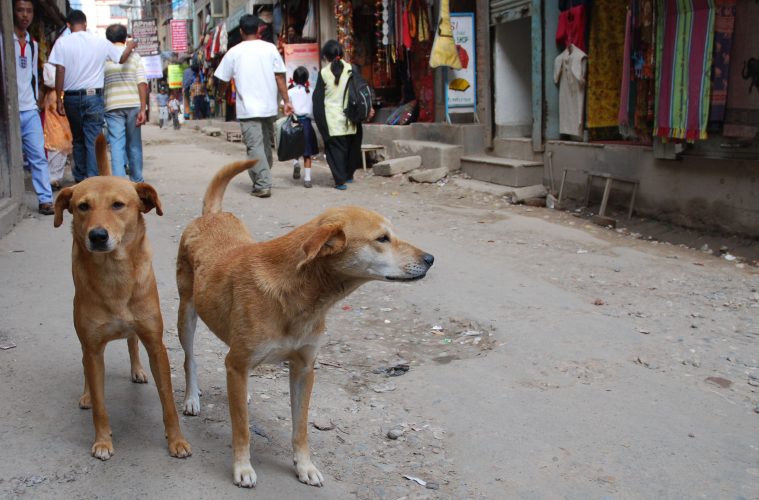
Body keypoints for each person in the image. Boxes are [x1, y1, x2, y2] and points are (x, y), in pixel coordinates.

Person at [49, 10, 136, 181]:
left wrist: (59, 98)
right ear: (86, 23)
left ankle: (81, 179)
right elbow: (121, 58)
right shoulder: (100, 42)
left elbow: (60, 70)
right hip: (93, 97)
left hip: (71, 98)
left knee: (78, 139)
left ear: (68, 25)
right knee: (92, 140)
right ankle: (93, 179)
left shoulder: (62, 43)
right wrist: (130, 47)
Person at [214, 14, 293, 198]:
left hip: (248, 109)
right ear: (258, 29)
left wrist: (219, 96)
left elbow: (223, 80)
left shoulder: (234, 52)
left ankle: (263, 183)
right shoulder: (270, 48)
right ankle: (262, 176)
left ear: (241, 31)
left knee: (256, 147)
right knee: (264, 145)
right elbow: (280, 76)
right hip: (268, 107)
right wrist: (286, 101)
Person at [13, 0, 54, 214]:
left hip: (29, 109)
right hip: (9, 110)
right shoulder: (4, 40)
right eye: (20, 10)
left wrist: (38, 101)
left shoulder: (32, 43)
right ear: (13, 13)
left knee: (38, 155)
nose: (25, 15)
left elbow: (33, 75)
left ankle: (45, 199)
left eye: (28, 11)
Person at [313, 40, 367, 190]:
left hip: (332, 119)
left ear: (326, 56)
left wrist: (321, 123)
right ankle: (348, 175)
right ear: (342, 54)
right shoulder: (352, 69)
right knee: (351, 147)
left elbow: (317, 101)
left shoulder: (323, 73)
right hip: (350, 118)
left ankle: (340, 180)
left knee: (335, 150)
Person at [103, 23, 147, 182]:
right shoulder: (134, 56)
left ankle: (119, 184)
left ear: (108, 39)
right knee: (134, 144)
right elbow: (142, 82)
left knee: (116, 145)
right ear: (124, 36)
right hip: (133, 103)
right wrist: (143, 108)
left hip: (112, 105)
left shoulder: (104, 56)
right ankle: (137, 181)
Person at [41, 63, 73, 190]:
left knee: (61, 139)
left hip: (58, 101)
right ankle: (52, 177)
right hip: (57, 101)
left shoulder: (50, 67)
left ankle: (54, 177)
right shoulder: (50, 66)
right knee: (57, 139)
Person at [287, 66, 317, 188]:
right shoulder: (311, 90)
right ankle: (307, 178)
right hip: (306, 123)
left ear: (294, 79)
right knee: (307, 151)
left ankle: (295, 163)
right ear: (306, 79)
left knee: (295, 145)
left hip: (294, 121)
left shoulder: (290, 92)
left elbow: (283, 105)